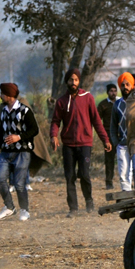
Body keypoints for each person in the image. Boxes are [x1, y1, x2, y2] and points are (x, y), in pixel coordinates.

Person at [50, 68, 112, 216]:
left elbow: (97, 121)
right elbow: (55, 121)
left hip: (85, 143)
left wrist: (105, 140)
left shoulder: (88, 98)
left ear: (79, 82)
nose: (73, 83)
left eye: (76, 80)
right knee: (70, 176)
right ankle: (73, 208)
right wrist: (53, 135)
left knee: (84, 174)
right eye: (71, 80)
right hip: (69, 145)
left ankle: (89, 201)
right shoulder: (61, 101)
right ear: (67, 82)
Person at [0, 84, 38, 222]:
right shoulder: (3, 111)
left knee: (19, 184)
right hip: (6, 152)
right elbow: (1, 132)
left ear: (9, 95)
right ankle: (9, 207)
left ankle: (24, 210)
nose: (0, 96)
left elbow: (34, 129)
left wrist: (19, 137)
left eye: (2, 94)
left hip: (22, 152)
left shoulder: (25, 111)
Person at [111, 73, 135, 191]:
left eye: (127, 84)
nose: (125, 87)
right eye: (122, 85)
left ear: (132, 86)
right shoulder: (117, 104)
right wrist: (116, 142)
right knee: (124, 174)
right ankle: (127, 202)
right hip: (122, 145)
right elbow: (113, 126)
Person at [96, 83, 118, 190]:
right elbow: (97, 121)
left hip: (120, 135)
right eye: (111, 91)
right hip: (108, 136)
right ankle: (109, 182)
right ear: (107, 92)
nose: (113, 93)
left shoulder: (120, 102)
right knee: (109, 160)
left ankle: (130, 180)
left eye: (115, 91)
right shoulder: (103, 105)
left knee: (126, 158)